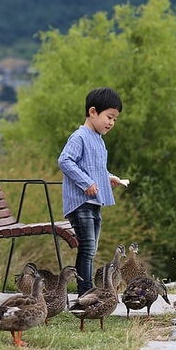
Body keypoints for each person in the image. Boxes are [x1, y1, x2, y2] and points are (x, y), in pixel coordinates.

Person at [58, 87, 124, 296]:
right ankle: (84, 291)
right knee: (86, 247)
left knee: (91, 249)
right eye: (109, 117)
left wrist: (109, 177)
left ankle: (85, 290)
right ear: (93, 112)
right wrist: (86, 182)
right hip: (80, 202)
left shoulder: (98, 140)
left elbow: (96, 168)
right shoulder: (80, 137)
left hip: (94, 202)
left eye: (115, 119)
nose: (111, 123)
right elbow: (65, 161)